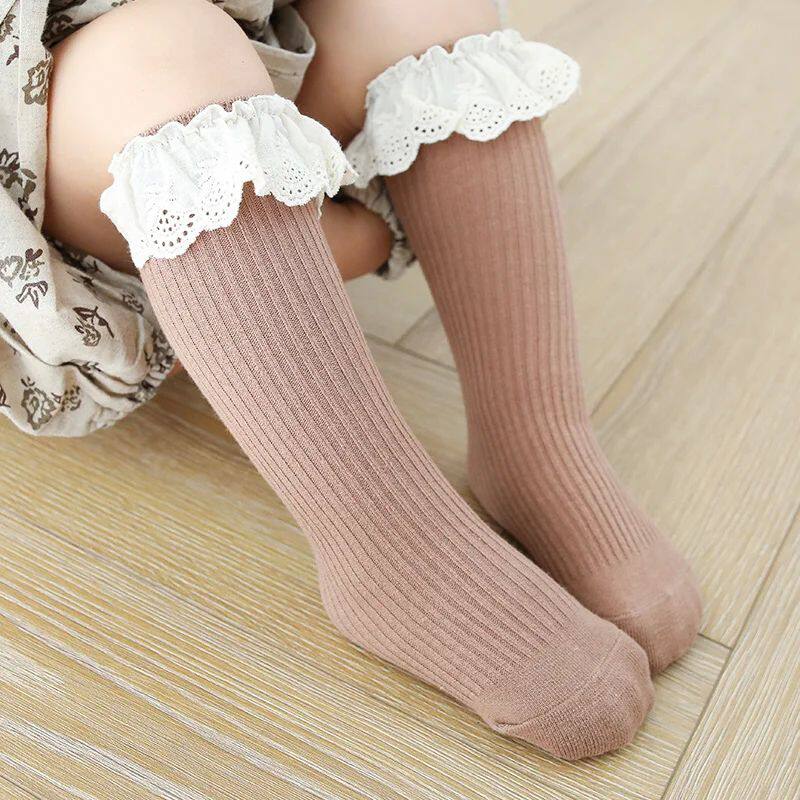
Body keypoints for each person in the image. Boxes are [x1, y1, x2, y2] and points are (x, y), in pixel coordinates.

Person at [0, 0, 702, 760]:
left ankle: (536, 440)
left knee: (420, 9)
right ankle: (399, 555)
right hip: (52, 132)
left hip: (243, 42)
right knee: (166, 57)